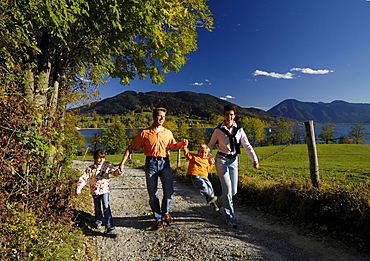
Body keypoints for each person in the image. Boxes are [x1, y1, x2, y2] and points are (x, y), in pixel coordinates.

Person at [118, 107, 185, 230]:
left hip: (165, 164)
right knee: (152, 193)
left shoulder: (168, 132)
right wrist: (122, 163)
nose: (161, 119)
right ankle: (158, 218)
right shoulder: (145, 133)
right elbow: (131, 147)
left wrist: (182, 144)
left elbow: (174, 146)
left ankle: (165, 212)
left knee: (169, 191)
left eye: (163, 117)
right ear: (153, 117)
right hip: (151, 164)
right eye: (159, 116)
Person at [208, 104, 259, 228]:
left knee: (233, 191)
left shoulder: (239, 130)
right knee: (227, 189)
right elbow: (210, 145)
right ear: (224, 115)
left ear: (234, 116)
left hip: (233, 161)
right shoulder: (218, 130)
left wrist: (254, 159)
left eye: (231, 114)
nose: (229, 117)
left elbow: (247, 146)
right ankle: (230, 217)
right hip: (221, 160)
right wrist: (209, 156)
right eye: (227, 114)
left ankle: (217, 202)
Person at [76, 149, 120, 233]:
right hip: (95, 191)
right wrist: (79, 188)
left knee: (106, 206)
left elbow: (114, 172)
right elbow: (84, 178)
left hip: (104, 190)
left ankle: (109, 225)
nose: (100, 160)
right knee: (97, 207)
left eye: (102, 158)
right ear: (95, 158)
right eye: (98, 158)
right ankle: (98, 221)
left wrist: (118, 172)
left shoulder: (106, 166)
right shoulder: (90, 169)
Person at [182, 141, 219, 211]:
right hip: (195, 174)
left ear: (207, 154)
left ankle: (213, 202)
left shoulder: (206, 160)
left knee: (209, 186)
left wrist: (211, 164)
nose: (203, 154)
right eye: (201, 152)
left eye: (205, 153)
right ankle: (208, 196)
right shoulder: (194, 157)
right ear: (198, 152)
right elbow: (186, 153)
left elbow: (207, 169)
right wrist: (185, 146)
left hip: (204, 176)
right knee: (202, 184)